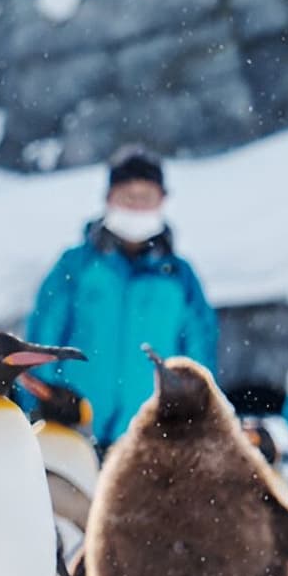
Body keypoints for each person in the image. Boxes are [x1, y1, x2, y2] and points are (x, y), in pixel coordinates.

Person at [21, 146, 218, 446]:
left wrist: (193, 413)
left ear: (162, 200)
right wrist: (41, 401)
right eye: (129, 195)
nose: (137, 206)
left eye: (146, 197)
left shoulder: (179, 277)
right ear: (109, 197)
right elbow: (42, 337)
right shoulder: (75, 266)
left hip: (150, 436)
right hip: (71, 429)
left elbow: (199, 356)